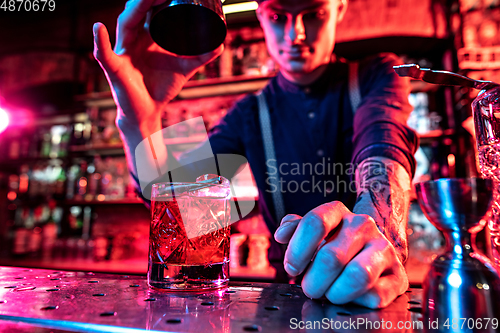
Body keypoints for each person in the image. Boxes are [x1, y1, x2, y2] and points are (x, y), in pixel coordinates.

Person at [93, 0, 418, 309]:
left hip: (373, 284)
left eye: (314, 13)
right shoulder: (248, 114)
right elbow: (180, 208)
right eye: (278, 17)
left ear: (339, 9)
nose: (295, 34)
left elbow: (384, 143)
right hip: (289, 297)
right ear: (260, 16)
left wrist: (379, 235)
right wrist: (140, 122)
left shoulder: (378, 74)